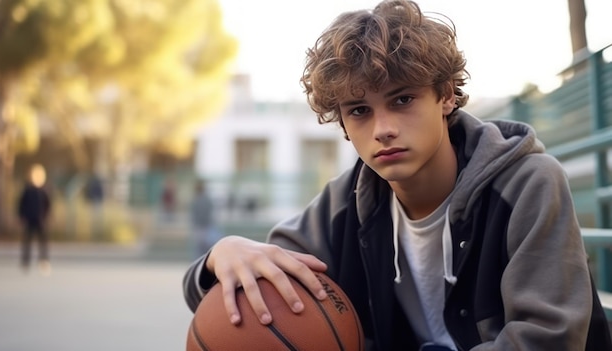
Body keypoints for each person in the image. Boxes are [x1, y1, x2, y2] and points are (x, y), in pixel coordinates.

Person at [183, 1, 612, 350]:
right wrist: (223, 256)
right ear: (344, 125)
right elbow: (232, 302)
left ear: (445, 96)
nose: (383, 128)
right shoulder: (347, 201)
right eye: (359, 111)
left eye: (402, 99)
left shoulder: (527, 183)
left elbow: (548, 340)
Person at [17, 163, 52, 275]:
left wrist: (46, 216)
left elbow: (48, 205)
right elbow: (21, 204)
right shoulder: (27, 190)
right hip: (29, 219)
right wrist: (21, 216)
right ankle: (25, 261)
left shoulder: (44, 190)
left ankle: (44, 260)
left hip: (40, 220)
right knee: (27, 241)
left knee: (43, 241)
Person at [190, 179, 220, 258]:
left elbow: (194, 216)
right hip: (207, 226)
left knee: (199, 249)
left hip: (200, 227)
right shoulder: (207, 200)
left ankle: (198, 265)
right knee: (207, 248)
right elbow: (211, 213)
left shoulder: (196, 201)